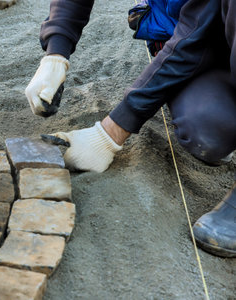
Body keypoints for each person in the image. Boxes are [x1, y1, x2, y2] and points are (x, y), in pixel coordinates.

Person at [25, 0, 236, 257]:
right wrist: (56, 53)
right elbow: (195, 30)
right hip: (213, 35)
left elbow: (197, 31)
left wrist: (110, 134)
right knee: (206, 129)